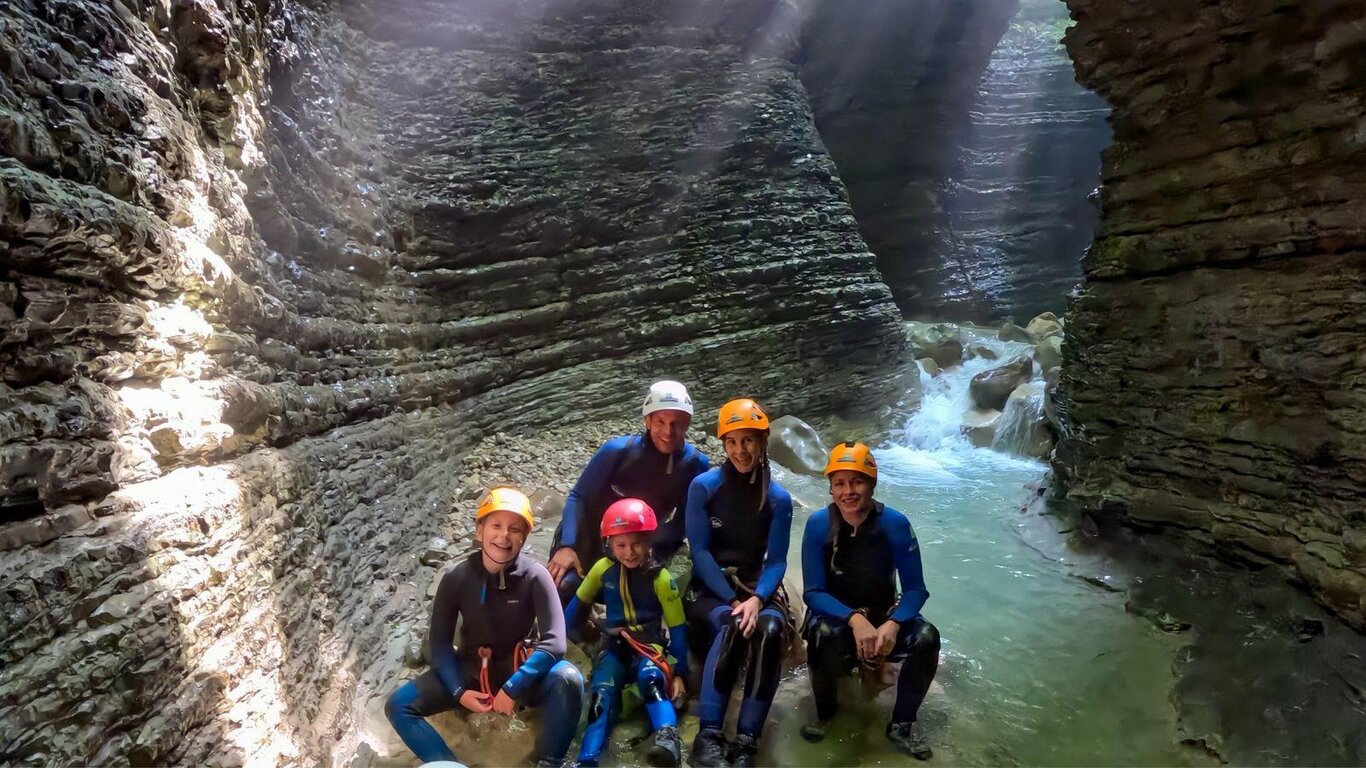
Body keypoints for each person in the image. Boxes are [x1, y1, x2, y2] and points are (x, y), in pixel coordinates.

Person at [385, 488, 585, 767]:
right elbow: (440, 644)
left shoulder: (535, 577)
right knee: (398, 706)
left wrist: (513, 688)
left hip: (517, 670)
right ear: (479, 531)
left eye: (515, 529)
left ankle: (548, 762)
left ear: (524, 537)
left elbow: (555, 643)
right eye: (496, 526)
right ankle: (448, 764)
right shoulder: (457, 577)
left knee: (569, 678)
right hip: (469, 672)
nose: (504, 536)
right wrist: (459, 692)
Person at [799, 442, 941, 759]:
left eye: (857, 481)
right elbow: (814, 592)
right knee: (822, 636)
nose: (848, 491)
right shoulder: (818, 525)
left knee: (927, 638)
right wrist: (855, 620)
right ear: (831, 488)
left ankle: (902, 725)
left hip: (883, 613)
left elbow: (916, 590)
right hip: (836, 619)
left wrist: (893, 624)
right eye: (839, 483)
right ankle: (826, 714)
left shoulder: (895, 524)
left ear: (871, 483)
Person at [684, 398, 794, 768]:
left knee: (772, 630)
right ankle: (709, 735)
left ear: (762, 442)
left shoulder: (778, 499)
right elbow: (699, 551)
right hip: (712, 591)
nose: (739, 450)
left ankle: (747, 741)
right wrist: (734, 599)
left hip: (753, 591)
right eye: (732, 441)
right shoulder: (705, 487)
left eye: (747, 441)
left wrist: (759, 600)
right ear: (723, 444)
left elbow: (777, 561)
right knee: (732, 626)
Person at [547, 380, 710, 599]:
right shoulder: (617, 452)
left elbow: (684, 520)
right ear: (647, 420)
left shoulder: (695, 464)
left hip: (639, 543)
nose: (668, 432)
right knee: (564, 586)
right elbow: (579, 497)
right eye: (660, 421)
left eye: (677, 423)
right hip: (590, 534)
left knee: (638, 599)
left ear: (688, 424)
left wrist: (655, 547)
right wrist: (567, 545)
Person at [566, 498, 689, 767]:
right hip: (614, 646)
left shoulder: (661, 578)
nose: (630, 552)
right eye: (621, 545)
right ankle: (588, 758)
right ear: (609, 544)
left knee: (651, 679)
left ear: (649, 542)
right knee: (602, 693)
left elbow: (678, 629)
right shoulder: (602, 570)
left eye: (637, 543)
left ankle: (668, 739)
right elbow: (574, 611)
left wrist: (680, 674)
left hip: (649, 646)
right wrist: (578, 641)